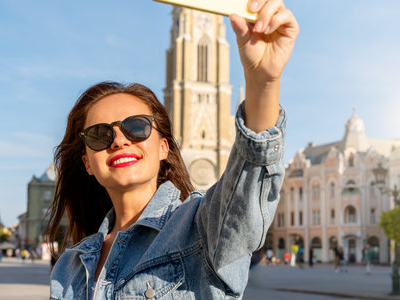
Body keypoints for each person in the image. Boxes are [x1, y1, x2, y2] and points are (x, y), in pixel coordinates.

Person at [48, 0, 298, 299]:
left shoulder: (200, 228)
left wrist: (263, 82)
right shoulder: (70, 266)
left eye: (137, 127)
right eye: (99, 135)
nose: (119, 140)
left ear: (164, 146)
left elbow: (246, 189)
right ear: (87, 162)